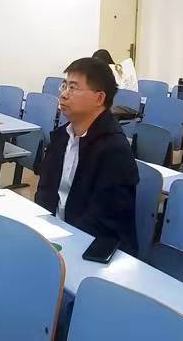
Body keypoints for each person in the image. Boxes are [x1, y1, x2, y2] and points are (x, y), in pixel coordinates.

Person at [34, 57, 139, 255]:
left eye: (73, 88)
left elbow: (103, 220)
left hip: (94, 248)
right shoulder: (61, 137)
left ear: (99, 98)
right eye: (64, 85)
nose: (64, 94)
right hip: (58, 235)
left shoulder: (114, 150)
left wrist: (62, 242)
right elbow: (44, 191)